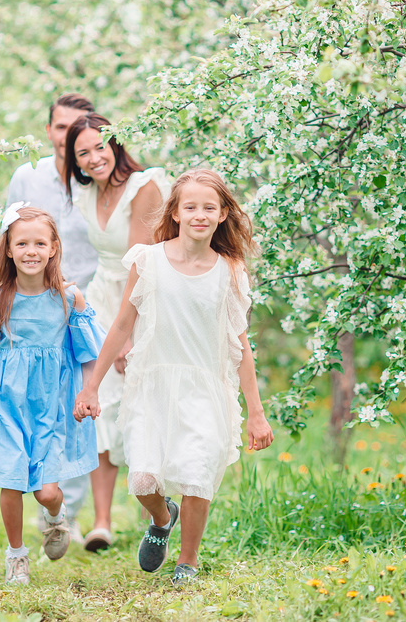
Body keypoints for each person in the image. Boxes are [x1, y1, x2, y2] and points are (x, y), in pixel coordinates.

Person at [73, 168, 275, 585]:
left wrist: (256, 412)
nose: (200, 214)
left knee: (197, 474)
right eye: (191, 207)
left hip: (206, 387)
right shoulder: (148, 261)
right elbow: (122, 325)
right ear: (177, 213)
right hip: (152, 385)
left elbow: (241, 347)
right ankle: (162, 518)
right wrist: (91, 385)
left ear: (222, 215)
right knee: (144, 478)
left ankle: (188, 561)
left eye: (209, 207)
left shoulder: (230, 271)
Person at [0, 204, 104, 585]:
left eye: (39, 243)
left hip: (52, 407)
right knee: (12, 480)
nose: (31, 251)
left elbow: (88, 352)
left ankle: (55, 517)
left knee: (48, 492)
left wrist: (87, 392)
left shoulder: (68, 299)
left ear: (53, 248)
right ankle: (16, 556)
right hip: (8, 405)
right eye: (22, 243)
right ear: (9, 250)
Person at [63, 112, 169, 551]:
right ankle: (101, 522)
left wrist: (125, 337)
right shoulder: (85, 191)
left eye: (98, 147)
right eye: (81, 153)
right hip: (101, 297)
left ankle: (157, 513)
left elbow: (140, 266)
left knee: (140, 405)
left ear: (115, 143)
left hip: (141, 302)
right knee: (99, 406)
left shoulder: (144, 187)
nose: (92, 158)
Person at [6, 93, 98, 541]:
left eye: (77, 128)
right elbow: (7, 236)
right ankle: (53, 506)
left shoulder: (96, 176)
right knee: (36, 406)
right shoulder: (27, 175)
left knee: (77, 409)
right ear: (49, 130)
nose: (67, 136)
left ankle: (67, 514)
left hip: (82, 305)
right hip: (33, 306)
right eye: (60, 128)